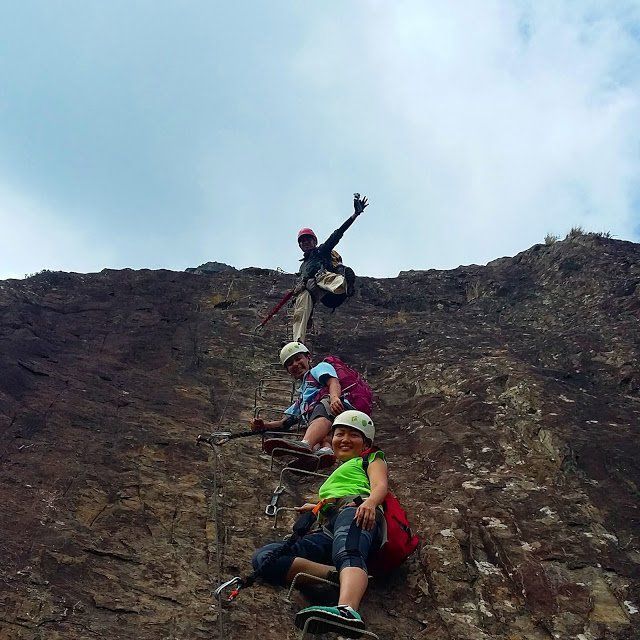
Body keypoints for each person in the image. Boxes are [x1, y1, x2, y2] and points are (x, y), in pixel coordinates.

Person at [252, 410, 387, 637]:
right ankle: (335, 574)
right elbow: (335, 497)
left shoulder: (372, 458)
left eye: (353, 435)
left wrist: (370, 504)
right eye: (339, 433)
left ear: (366, 443)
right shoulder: (340, 470)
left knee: (349, 550)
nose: (344, 439)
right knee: (266, 558)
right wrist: (317, 506)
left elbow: (380, 485)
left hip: (357, 511)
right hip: (328, 523)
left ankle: (347, 610)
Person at [252, 341, 354, 470]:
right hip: (331, 425)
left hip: (338, 409)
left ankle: (305, 444)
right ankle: (323, 453)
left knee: (320, 408)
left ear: (308, 357)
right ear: (288, 370)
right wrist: (263, 426)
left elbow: (333, 381)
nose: (295, 364)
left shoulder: (320, 368)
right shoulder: (301, 400)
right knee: (315, 427)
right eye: (290, 363)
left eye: (298, 358)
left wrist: (334, 398)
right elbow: (284, 423)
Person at [292, 193, 368, 343]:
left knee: (320, 276)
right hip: (323, 297)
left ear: (314, 241)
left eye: (308, 239)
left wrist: (355, 215)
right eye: (302, 241)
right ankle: (298, 343)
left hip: (334, 290)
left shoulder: (322, 251)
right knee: (302, 294)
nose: (305, 242)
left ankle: (345, 283)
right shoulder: (302, 267)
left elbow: (337, 234)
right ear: (300, 245)